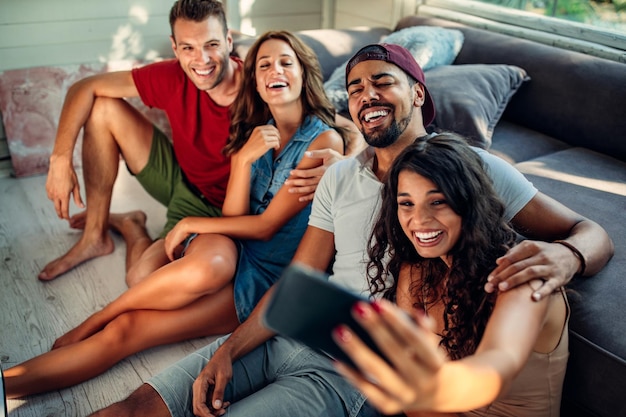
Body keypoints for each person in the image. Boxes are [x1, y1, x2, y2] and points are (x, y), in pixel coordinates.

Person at [88, 43, 613, 417]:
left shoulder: (474, 169)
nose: (366, 95)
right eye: (355, 88)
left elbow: (589, 232)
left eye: (382, 81)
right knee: (138, 406)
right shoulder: (342, 175)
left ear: (417, 89)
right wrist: (229, 347)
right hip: (296, 330)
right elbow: (298, 282)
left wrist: (568, 256)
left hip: (349, 368)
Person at [5, 30, 345, 399]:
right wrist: (243, 158)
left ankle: (95, 319)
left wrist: (191, 223)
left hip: (261, 284)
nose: (274, 70)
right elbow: (234, 215)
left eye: (285, 62)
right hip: (235, 252)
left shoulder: (323, 143)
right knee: (142, 281)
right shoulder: (255, 133)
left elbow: (265, 228)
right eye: (264, 65)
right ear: (257, 85)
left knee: (126, 329)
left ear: (303, 73)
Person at [39, 0, 361, 282]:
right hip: (182, 181)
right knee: (103, 107)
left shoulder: (261, 84)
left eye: (211, 45)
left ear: (228, 41)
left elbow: (343, 127)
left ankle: (132, 225)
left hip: (229, 209)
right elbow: (85, 87)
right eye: (188, 47)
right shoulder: (174, 75)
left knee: (140, 277)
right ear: (175, 46)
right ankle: (95, 235)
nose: (202, 60)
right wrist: (60, 159)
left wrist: (345, 161)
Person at [333, 133, 569, 416]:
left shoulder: (523, 277)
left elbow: (498, 364)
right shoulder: (416, 273)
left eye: (438, 201)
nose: (418, 220)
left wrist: (439, 388)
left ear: (469, 202)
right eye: (406, 203)